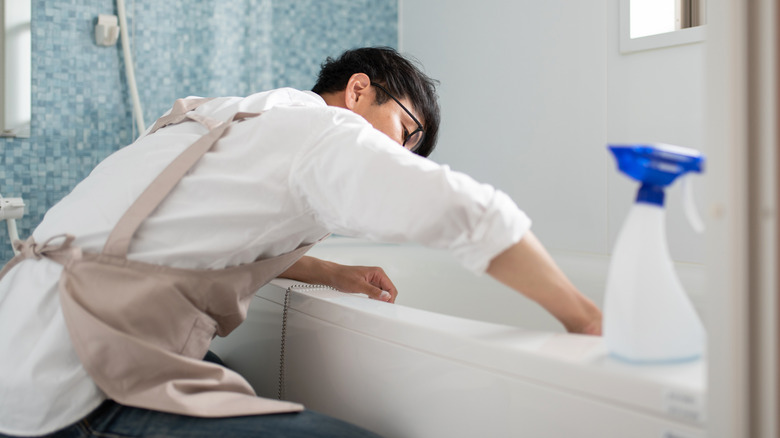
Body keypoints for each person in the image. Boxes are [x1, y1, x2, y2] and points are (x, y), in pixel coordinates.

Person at [0, 47, 602, 438]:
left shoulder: (233, 116)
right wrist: (584, 318)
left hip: (26, 341)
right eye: (406, 132)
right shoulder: (326, 130)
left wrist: (331, 272)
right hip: (75, 381)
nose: (400, 155)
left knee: (233, 381)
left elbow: (193, 242)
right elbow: (468, 212)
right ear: (359, 90)